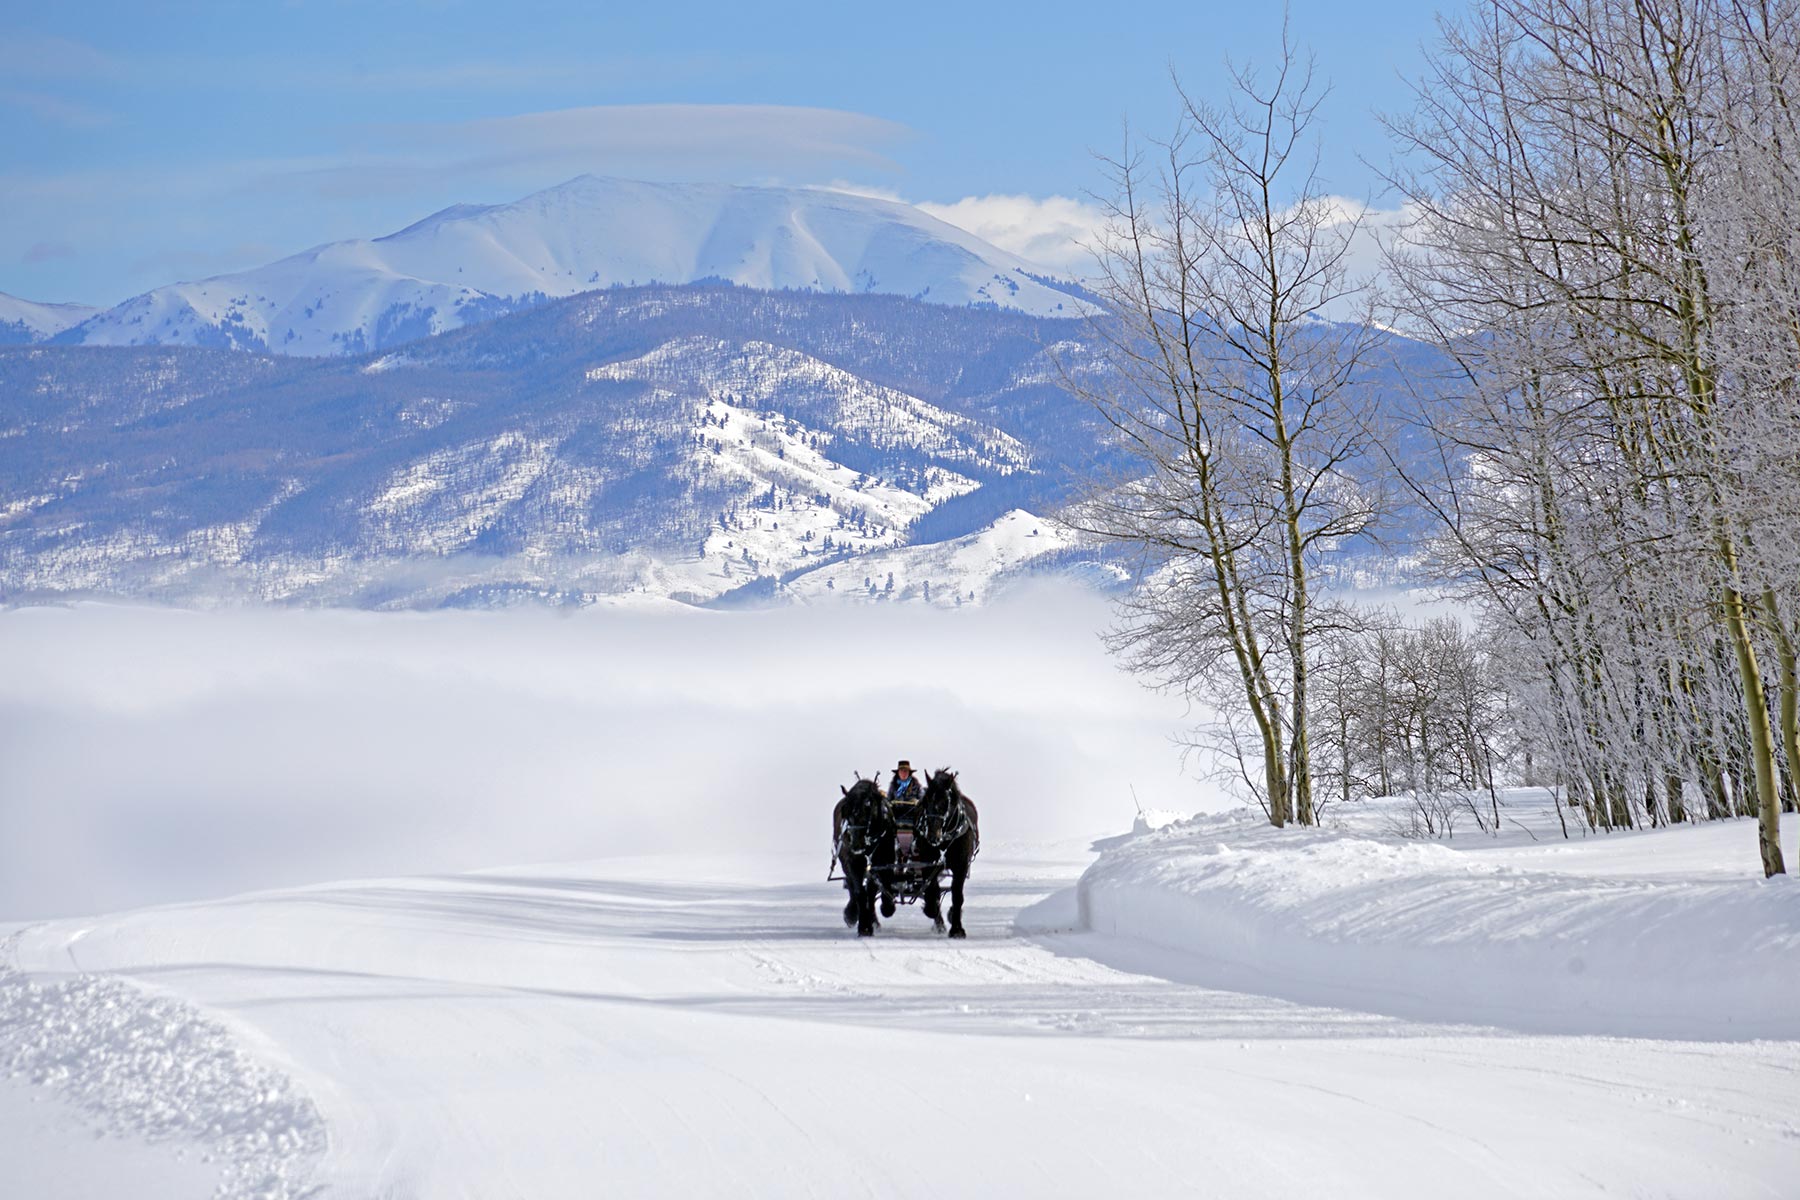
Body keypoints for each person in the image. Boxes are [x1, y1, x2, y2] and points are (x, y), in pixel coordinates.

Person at [887, 760, 924, 828]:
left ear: (909, 773)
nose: (903, 773)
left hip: (913, 814)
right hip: (896, 814)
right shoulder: (893, 785)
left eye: (906, 771)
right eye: (901, 771)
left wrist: (917, 801)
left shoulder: (916, 785)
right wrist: (891, 803)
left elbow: (922, 799)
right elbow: (888, 800)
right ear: (898, 773)